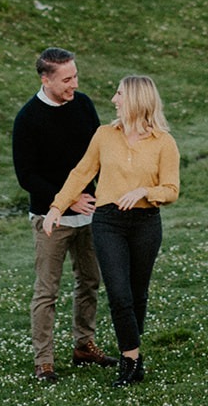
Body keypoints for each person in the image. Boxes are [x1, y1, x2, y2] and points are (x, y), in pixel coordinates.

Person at [43, 74, 179, 388]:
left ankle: (132, 343)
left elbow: (172, 189)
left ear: (135, 100)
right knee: (118, 294)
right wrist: (56, 208)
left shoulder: (164, 143)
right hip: (108, 223)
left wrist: (146, 191)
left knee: (135, 293)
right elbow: (81, 173)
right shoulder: (105, 135)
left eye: (119, 94)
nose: (114, 100)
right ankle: (131, 360)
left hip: (146, 223)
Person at [12, 47, 119, 384]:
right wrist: (67, 200)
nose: (74, 84)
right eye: (67, 79)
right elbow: (26, 176)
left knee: (90, 280)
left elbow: (98, 155)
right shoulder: (27, 119)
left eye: (76, 76)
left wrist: (105, 196)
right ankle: (44, 361)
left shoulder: (83, 105)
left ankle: (84, 345)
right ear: (46, 79)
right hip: (51, 218)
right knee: (47, 291)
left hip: (90, 215)